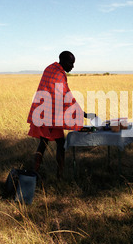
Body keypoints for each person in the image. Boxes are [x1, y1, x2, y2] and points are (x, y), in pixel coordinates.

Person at [27, 51, 94, 179]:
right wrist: (84, 114)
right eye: (71, 63)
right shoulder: (59, 74)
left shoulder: (50, 68)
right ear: (62, 60)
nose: (72, 67)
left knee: (44, 143)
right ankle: (58, 174)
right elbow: (66, 96)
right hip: (49, 115)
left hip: (43, 112)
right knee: (59, 144)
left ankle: (34, 173)